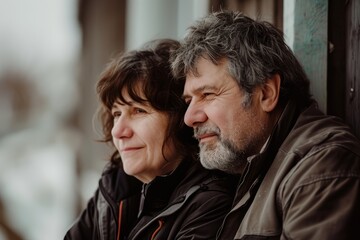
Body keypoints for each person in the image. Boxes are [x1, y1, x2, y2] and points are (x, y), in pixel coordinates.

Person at [171, 10, 360, 240]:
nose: (190, 118)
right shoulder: (249, 164)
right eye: (189, 101)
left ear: (267, 93)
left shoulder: (321, 165)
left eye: (208, 94)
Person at [64, 38, 236, 240]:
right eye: (117, 114)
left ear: (182, 119)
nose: (119, 131)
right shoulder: (113, 190)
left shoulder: (210, 203)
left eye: (138, 111)